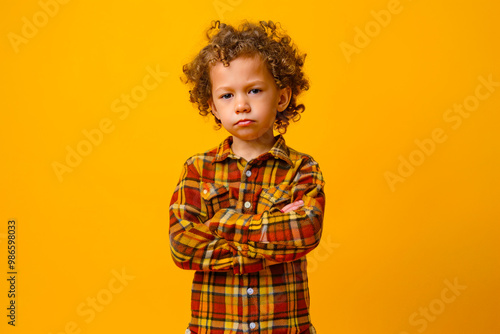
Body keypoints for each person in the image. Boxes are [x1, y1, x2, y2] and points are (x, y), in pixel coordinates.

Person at [169, 20, 326, 334]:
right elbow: (182, 244)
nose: (241, 105)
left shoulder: (301, 169)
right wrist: (268, 238)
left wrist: (221, 222)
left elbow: (304, 231)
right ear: (212, 106)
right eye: (227, 96)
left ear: (281, 98)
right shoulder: (198, 170)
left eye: (254, 90)